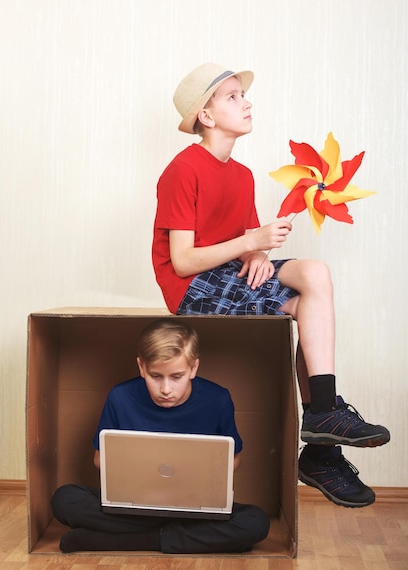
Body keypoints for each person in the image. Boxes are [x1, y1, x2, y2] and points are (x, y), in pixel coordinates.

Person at [152, 62, 390, 508]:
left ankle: (322, 419)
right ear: (205, 116)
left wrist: (259, 253)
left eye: (243, 95)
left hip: (225, 273)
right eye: (232, 97)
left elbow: (246, 246)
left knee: (314, 273)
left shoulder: (240, 175)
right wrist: (251, 241)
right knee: (300, 305)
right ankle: (322, 447)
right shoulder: (182, 170)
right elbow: (182, 262)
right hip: (190, 290)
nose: (247, 103)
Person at [51, 319, 270, 554]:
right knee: (64, 499)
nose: (166, 389)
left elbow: (233, 460)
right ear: (141, 367)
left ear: (194, 369)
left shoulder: (218, 399)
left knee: (255, 521)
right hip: (136, 505)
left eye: (177, 377)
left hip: (193, 508)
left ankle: (128, 540)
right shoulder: (120, 397)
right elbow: (99, 459)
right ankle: (175, 537)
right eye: (156, 376)